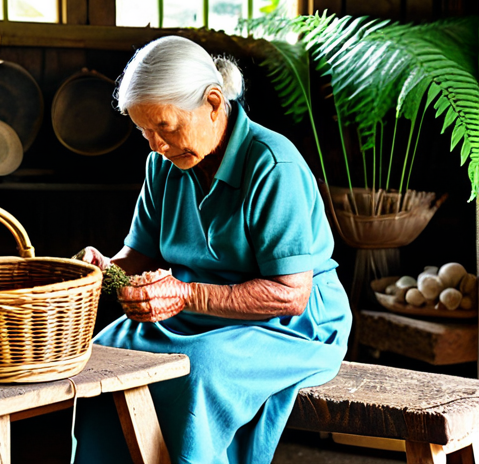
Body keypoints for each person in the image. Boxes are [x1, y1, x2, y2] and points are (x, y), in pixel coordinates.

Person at [72, 35, 352, 464]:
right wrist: (103, 269)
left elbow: (290, 295)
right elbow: (140, 254)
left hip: (286, 323)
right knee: (102, 360)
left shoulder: (273, 165)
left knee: (195, 371)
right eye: (144, 130)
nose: (154, 144)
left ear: (214, 103)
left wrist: (185, 294)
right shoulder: (163, 163)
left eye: (164, 126)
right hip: (192, 312)